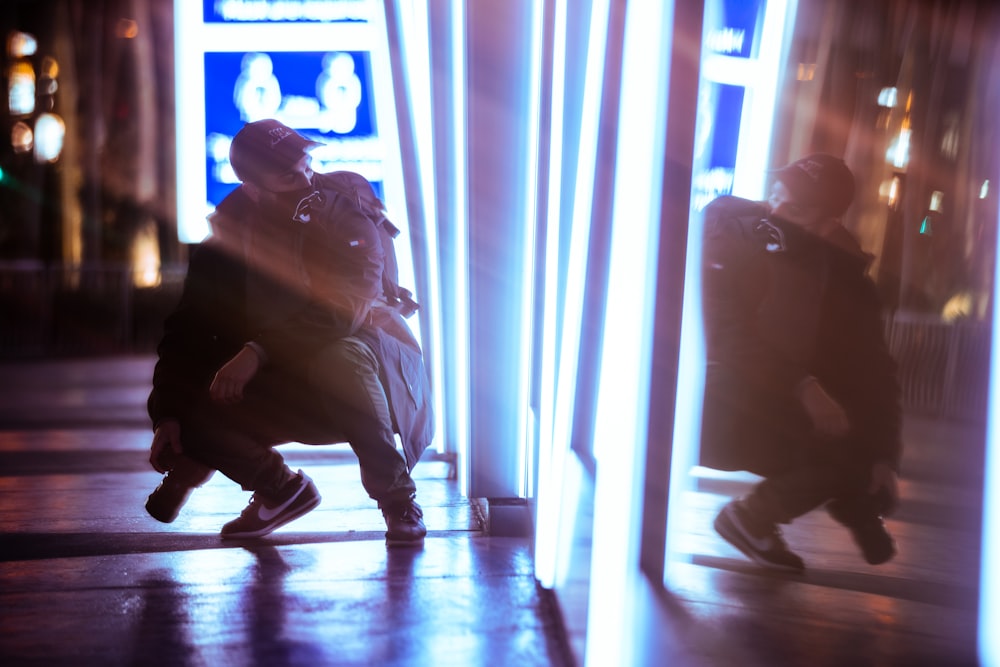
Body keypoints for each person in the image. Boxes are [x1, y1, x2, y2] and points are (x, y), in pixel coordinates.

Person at [145, 119, 433, 546]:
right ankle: (280, 489)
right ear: (254, 190)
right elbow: (188, 328)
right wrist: (166, 413)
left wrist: (256, 352)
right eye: (287, 175)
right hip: (290, 380)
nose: (304, 178)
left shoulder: (347, 212)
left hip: (371, 372)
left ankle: (398, 500)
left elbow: (344, 311)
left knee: (340, 354)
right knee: (192, 416)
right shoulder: (228, 238)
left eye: (306, 164)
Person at [699, 153, 902, 572]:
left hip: (767, 410)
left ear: (828, 225)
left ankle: (852, 499)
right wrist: (803, 386)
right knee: (845, 455)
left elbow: (875, 373)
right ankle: (834, 507)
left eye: (796, 208)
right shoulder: (734, 237)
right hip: (708, 401)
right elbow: (727, 337)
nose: (777, 212)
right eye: (776, 197)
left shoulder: (845, 280)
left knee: (856, 449)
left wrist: (884, 456)